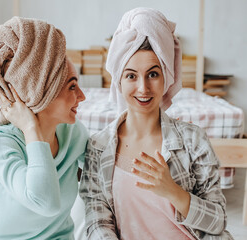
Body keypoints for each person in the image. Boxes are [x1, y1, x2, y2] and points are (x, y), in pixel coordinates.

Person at [79, 7, 233, 240]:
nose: (143, 88)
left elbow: (218, 222)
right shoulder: (98, 146)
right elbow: (97, 222)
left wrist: (173, 191)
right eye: (131, 75)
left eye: (153, 74)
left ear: (167, 78)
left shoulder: (193, 140)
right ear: (119, 82)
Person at [0, 17, 88, 240]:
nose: (82, 96)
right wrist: (30, 128)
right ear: (41, 92)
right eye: (72, 86)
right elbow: (45, 203)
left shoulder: (73, 133)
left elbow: (104, 177)